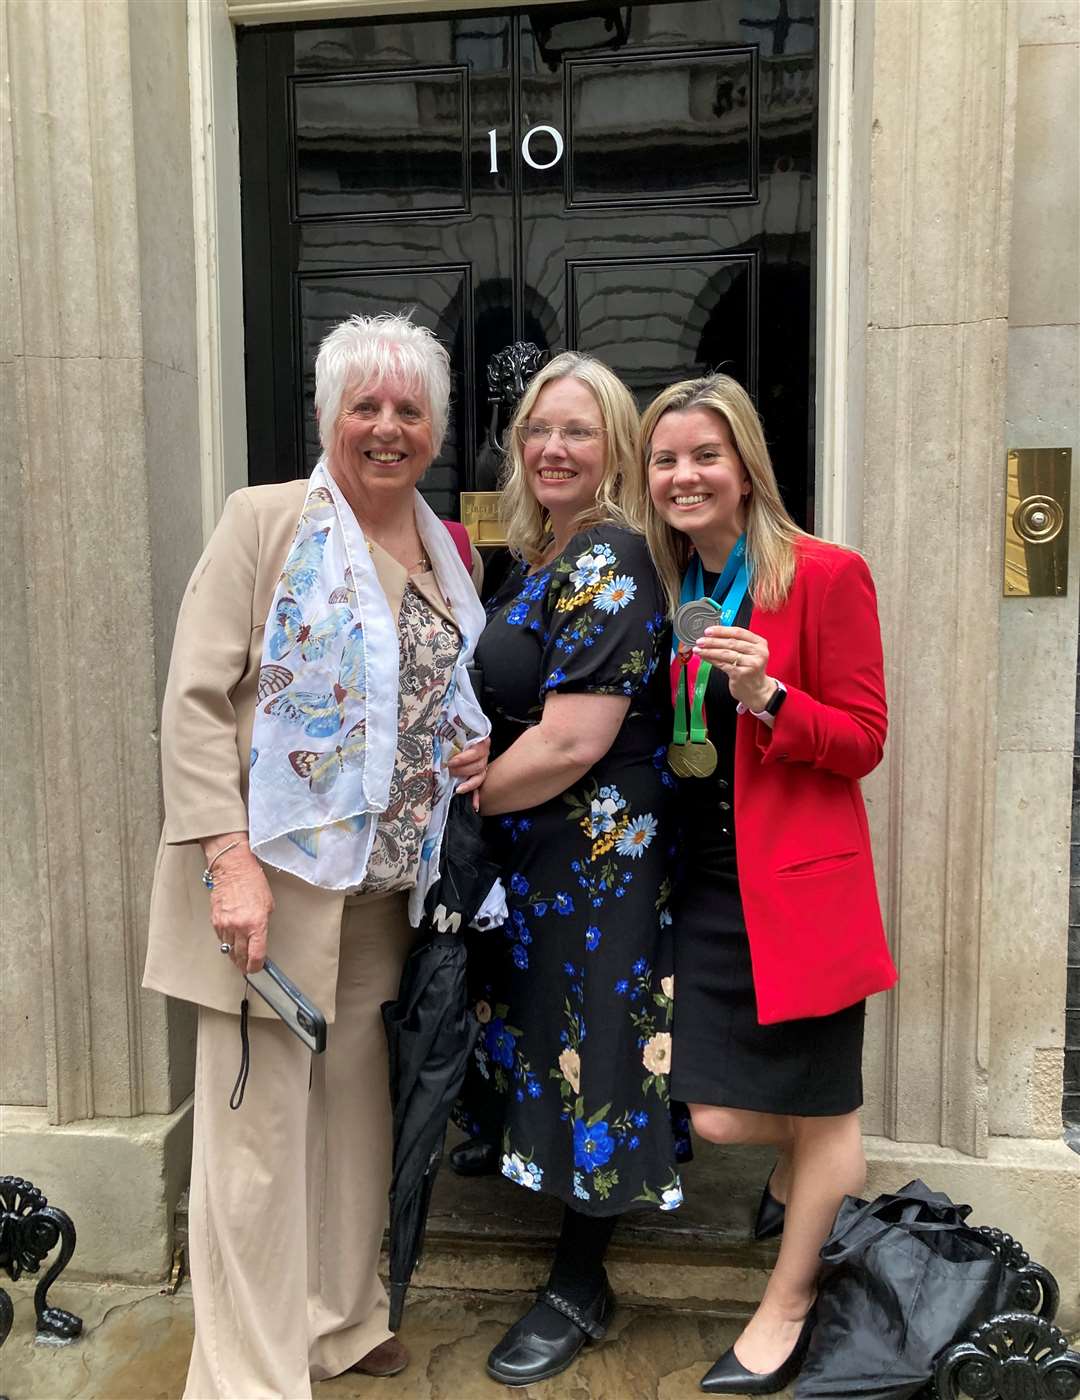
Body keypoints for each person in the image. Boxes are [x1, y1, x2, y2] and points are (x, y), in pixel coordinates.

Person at [142, 313, 491, 1399]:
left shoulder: (447, 546)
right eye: (366, 406)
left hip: (383, 899)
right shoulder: (266, 521)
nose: (388, 428)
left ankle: (338, 1321)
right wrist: (227, 860)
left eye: (410, 409)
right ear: (330, 416)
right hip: (268, 893)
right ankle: (247, 1371)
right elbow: (194, 702)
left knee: (353, 1124)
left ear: (436, 427)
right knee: (255, 1140)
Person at [640, 374, 898, 1396]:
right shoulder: (678, 592)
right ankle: (820, 1167)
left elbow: (866, 740)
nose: (684, 474)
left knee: (824, 1105)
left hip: (802, 891)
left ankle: (787, 1299)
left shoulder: (828, 576)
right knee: (714, 1114)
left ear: (746, 469)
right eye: (666, 459)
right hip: (709, 890)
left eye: (705, 455)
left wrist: (770, 696)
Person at [456, 352, 686, 1387]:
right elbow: (523, 712)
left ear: (618, 451)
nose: (553, 446)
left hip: (599, 859)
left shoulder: (612, 556)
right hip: (550, 856)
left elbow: (572, 741)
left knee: (594, 1043)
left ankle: (580, 1280)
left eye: (579, 432)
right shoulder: (551, 550)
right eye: (538, 428)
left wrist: (472, 795)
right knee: (557, 1036)